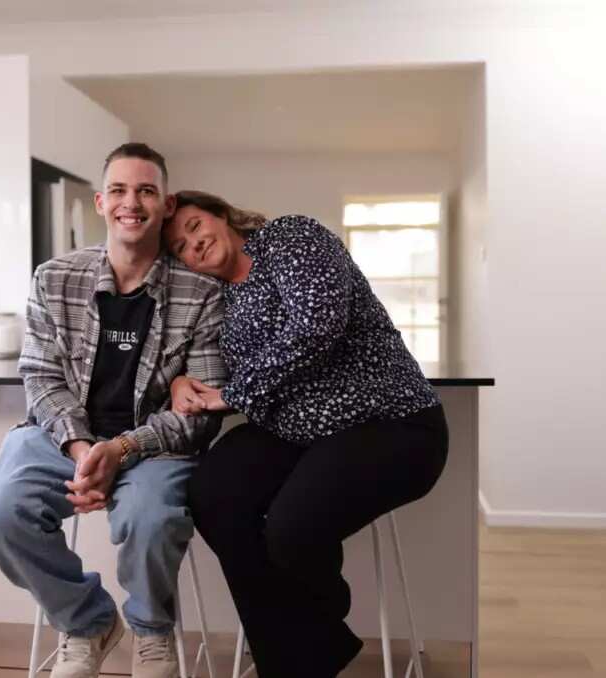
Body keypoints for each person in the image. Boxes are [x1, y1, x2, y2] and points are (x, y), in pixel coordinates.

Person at [164, 191, 449, 678]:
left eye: (194, 225)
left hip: (389, 421)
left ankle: (312, 635)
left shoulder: (290, 237)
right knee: (213, 493)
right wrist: (179, 381)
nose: (195, 244)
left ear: (220, 213)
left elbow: (318, 324)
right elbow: (193, 361)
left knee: (291, 529)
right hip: (299, 434)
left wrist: (235, 394)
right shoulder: (219, 300)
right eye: (181, 247)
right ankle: (300, 652)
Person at [0, 146, 226, 678]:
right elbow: (40, 377)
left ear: (166, 203)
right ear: (100, 202)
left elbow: (202, 409)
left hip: (155, 447)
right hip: (62, 438)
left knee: (151, 518)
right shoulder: (54, 278)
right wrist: (84, 449)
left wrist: (122, 448)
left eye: (146, 191)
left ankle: (152, 633)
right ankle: (86, 622)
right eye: (120, 190)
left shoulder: (201, 292)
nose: (131, 203)